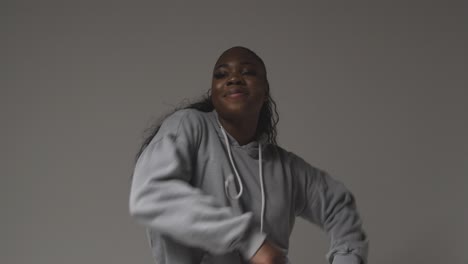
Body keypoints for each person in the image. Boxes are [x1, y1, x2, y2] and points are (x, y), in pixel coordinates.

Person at [129, 46, 369, 264]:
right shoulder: (189, 127)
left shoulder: (285, 167)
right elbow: (149, 193)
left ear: (265, 91)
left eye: (248, 72)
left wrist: (346, 258)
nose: (234, 78)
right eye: (222, 74)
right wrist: (251, 241)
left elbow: (339, 206)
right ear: (213, 92)